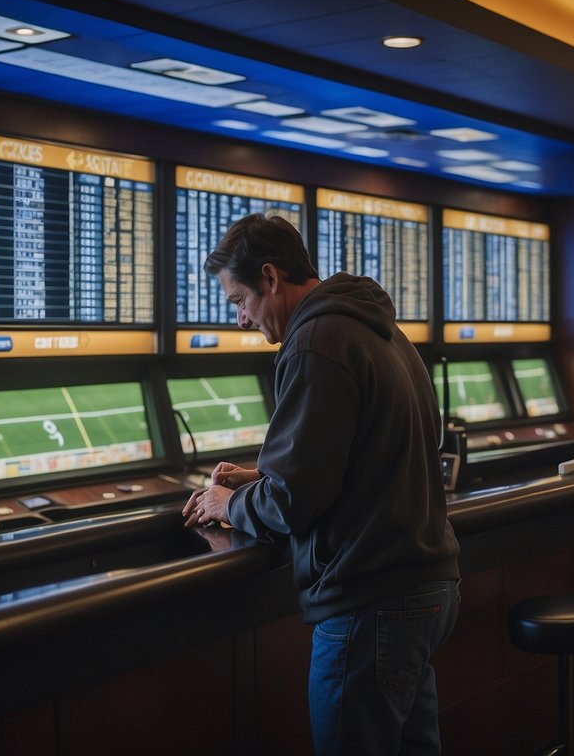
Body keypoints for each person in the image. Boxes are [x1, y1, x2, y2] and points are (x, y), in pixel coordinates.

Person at [181, 211, 461, 756]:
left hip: (369, 600)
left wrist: (228, 500)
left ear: (271, 277)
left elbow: (293, 503)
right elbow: (361, 455)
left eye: (240, 300)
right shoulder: (374, 325)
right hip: (424, 587)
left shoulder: (315, 341)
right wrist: (263, 475)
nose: (240, 319)